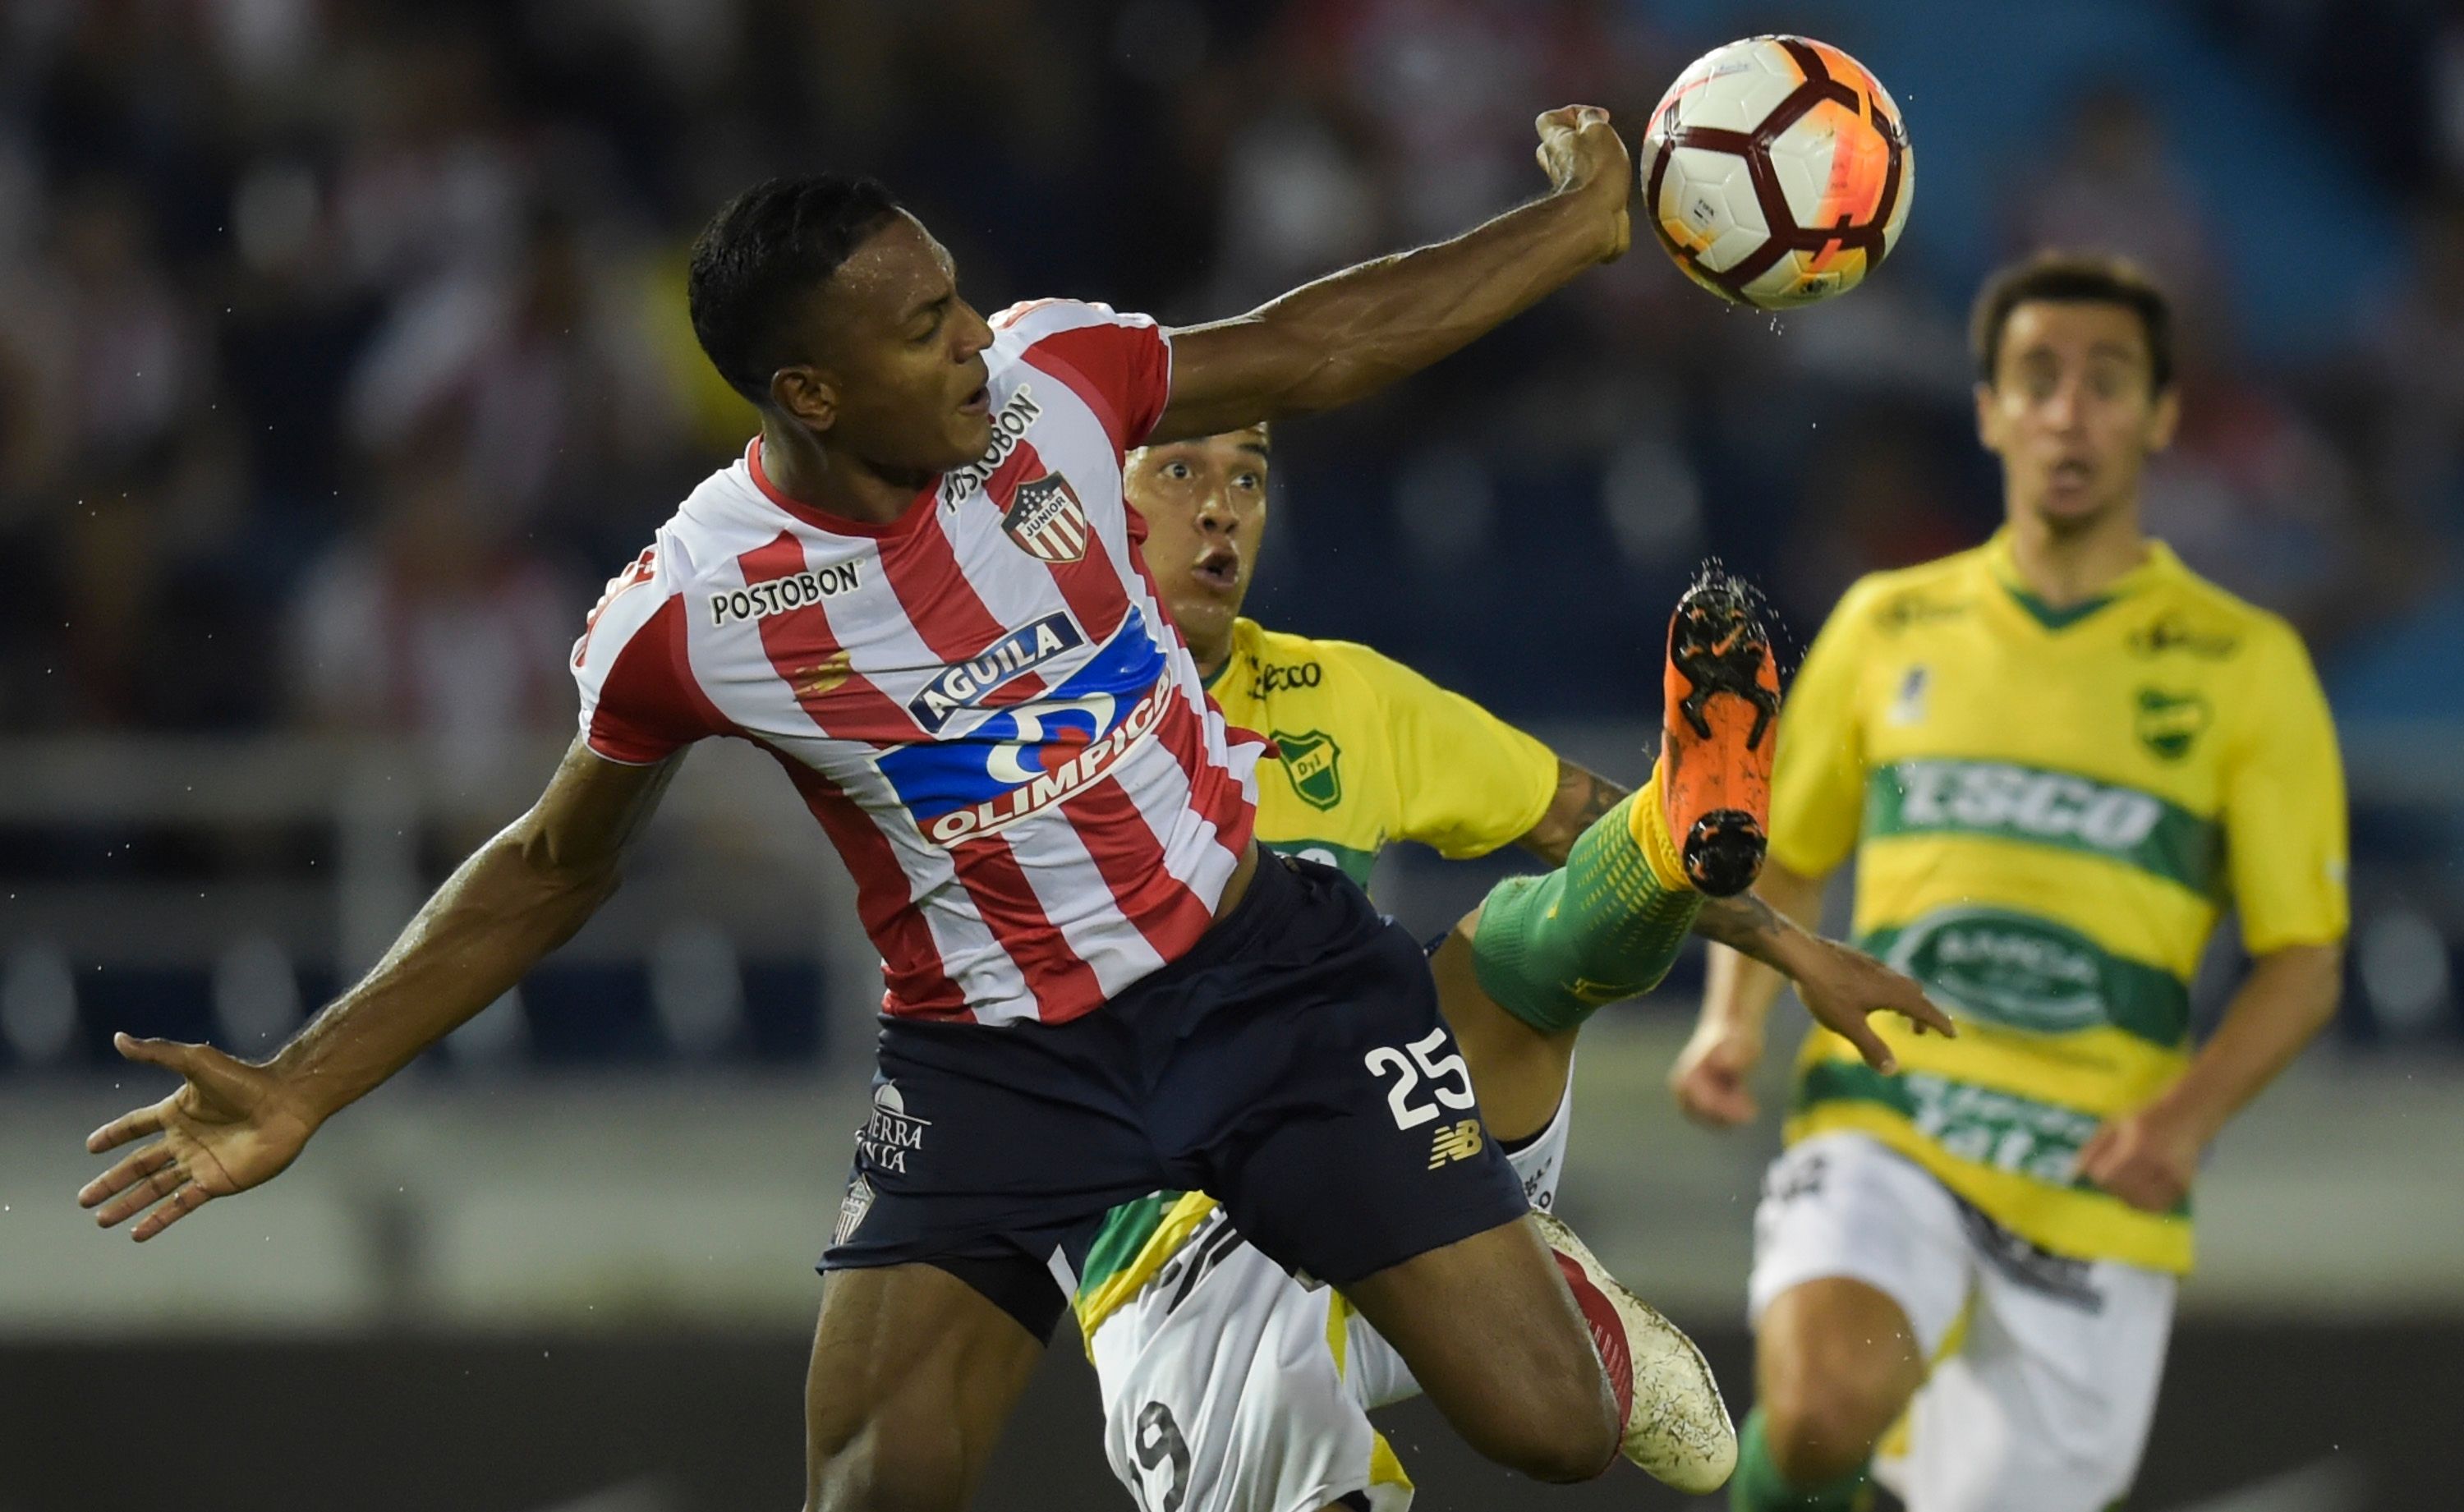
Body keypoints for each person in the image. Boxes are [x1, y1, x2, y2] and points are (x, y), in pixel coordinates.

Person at [80, 108, 1695, 1512]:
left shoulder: (1053, 383)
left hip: (1262, 973)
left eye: (960, 298)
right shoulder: (697, 610)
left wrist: (1570, 231)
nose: (977, 342)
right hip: (1001, 1061)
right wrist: (304, 1088)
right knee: (876, 1489)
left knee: (1553, 1431)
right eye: (925, 329)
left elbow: (1320, 343)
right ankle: (1411, 1245)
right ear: (812, 389)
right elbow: (550, 868)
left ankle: (1467, 1255)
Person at [1079, 423, 1951, 1512]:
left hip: (1391, 1148)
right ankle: (1553, 1282)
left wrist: (1790, 944)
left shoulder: (1339, 693)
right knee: (1532, 1434)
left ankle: (1670, 835)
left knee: (1503, 948)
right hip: (1181, 1249)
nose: (1222, 507)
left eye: (1247, 477)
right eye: (1180, 472)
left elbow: (1562, 808)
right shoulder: (1018, 723)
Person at [1672, 253, 2349, 1512]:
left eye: (2107, 381)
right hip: (1894, 1112)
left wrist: (2186, 1118)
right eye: (2037, 378)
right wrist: (1733, 1023)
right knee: (1818, 1411)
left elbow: (2304, 962)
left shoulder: (2244, 665)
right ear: (1987, 410)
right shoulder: (1888, 622)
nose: (2069, 410)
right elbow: (1793, 854)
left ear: (2160, 414)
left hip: (2094, 1170)